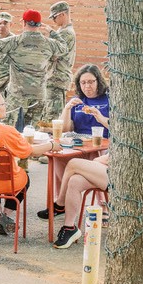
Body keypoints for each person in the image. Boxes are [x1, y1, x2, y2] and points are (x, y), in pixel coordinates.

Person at [0, 89, 58, 235]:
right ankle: (5, 215)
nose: (6, 106)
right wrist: (52, 145)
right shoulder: (7, 131)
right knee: (25, 180)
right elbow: (29, 151)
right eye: (3, 103)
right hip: (6, 183)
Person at [38, 64, 111, 219]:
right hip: (80, 143)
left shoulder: (109, 99)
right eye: (83, 83)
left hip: (102, 143)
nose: (87, 86)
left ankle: (103, 204)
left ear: (99, 81)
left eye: (91, 82)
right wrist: (67, 109)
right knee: (58, 158)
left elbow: (118, 127)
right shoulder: (77, 101)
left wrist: (100, 118)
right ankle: (60, 200)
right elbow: (65, 129)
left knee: (96, 154)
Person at [0, 10, 65, 133]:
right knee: (31, 132)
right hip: (38, 95)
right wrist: (52, 32)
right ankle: (29, 152)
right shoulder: (49, 43)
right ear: (39, 25)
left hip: (17, 95)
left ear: (23, 23)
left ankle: (8, 152)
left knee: (7, 129)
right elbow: (64, 48)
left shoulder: (14, 42)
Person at [51, 154, 110, 249]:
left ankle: (60, 205)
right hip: (108, 169)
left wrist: (97, 161)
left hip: (119, 175)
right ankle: (69, 228)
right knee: (74, 181)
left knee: (73, 163)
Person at [46, 1, 77, 122]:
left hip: (57, 79)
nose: (53, 20)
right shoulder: (61, 31)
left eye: (54, 16)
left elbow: (53, 54)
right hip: (55, 78)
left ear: (62, 14)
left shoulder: (66, 33)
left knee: (53, 118)